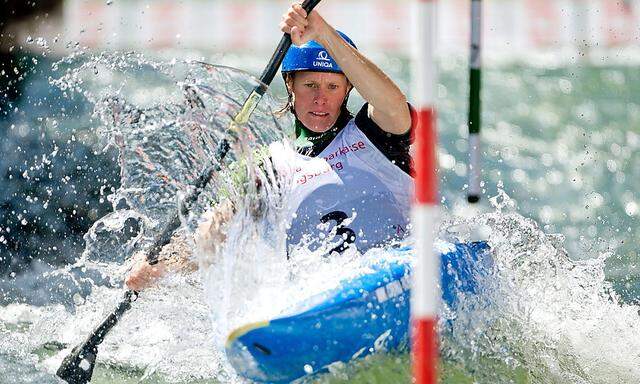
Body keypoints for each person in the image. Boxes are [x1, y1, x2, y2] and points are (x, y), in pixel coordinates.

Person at [126, 2, 414, 291]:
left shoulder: (375, 135)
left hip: (396, 277)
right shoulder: (271, 168)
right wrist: (159, 270)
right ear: (290, 85)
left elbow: (393, 104)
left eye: (332, 87)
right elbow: (212, 235)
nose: (320, 99)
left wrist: (323, 32)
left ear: (348, 88)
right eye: (310, 85)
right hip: (323, 299)